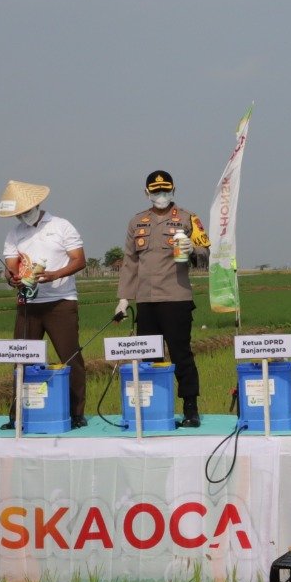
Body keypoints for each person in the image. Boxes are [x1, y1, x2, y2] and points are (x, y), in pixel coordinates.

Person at [115, 171, 210, 427]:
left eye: (165, 190)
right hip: (146, 300)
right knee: (149, 358)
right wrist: (124, 299)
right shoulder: (137, 221)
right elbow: (130, 262)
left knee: (181, 354)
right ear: (147, 193)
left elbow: (205, 251)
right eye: (156, 191)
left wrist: (193, 250)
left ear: (174, 190)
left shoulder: (188, 218)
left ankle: (190, 407)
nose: (161, 195)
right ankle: (155, 408)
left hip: (176, 297)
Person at [0, 181, 88, 430]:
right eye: (18, 214)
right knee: (22, 358)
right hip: (28, 303)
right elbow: (10, 267)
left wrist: (55, 274)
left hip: (60, 301)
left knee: (70, 357)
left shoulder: (61, 226)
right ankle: (18, 414)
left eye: (26, 211)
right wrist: (12, 278)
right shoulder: (15, 233)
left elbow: (79, 260)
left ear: (37, 205)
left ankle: (76, 413)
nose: (23, 216)